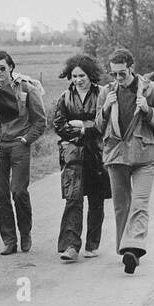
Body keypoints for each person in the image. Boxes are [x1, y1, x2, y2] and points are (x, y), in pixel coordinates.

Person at [94, 49, 154, 275]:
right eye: (113, 74)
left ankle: (134, 247)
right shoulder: (106, 92)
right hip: (116, 156)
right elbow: (98, 126)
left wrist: (148, 110)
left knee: (139, 204)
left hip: (143, 157)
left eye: (121, 73)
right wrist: (107, 107)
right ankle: (125, 248)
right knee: (121, 206)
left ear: (131, 68)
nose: (117, 78)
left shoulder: (150, 90)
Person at [0, 50, 46, 255]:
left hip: (19, 144)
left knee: (19, 191)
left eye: (3, 68)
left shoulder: (26, 88)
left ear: (11, 67)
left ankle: (25, 234)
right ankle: (9, 239)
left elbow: (40, 121)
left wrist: (26, 139)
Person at [51, 56, 108, 262]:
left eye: (81, 75)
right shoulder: (65, 97)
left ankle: (92, 244)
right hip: (73, 154)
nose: (77, 80)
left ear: (90, 74)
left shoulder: (103, 94)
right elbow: (58, 125)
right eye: (74, 76)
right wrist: (81, 132)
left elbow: (105, 123)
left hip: (98, 154)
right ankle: (70, 246)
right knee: (73, 198)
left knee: (96, 199)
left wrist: (83, 127)